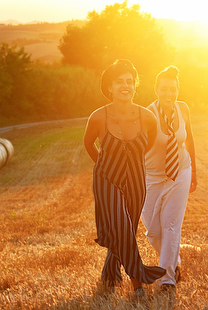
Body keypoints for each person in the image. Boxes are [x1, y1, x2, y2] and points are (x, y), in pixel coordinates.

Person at [83, 59, 165, 297]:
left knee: (127, 229)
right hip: (107, 179)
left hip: (137, 180)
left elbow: (147, 145)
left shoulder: (147, 117)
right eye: (119, 82)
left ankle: (109, 275)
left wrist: (130, 164)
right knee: (122, 225)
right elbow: (88, 144)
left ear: (135, 85)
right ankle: (138, 282)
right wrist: (105, 166)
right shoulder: (98, 117)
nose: (125, 86)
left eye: (129, 81)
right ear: (109, 87)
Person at [141, 65, 197, 289]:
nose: (169, 94)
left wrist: (195, 172)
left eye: (173, 89)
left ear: (177, 89)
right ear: (156, 89)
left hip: (180, 172)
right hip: (152, 177)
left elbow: (189, 139)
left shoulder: (183, 109)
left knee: (171, 226)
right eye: (164, 89)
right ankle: (176, 261)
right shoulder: (148, 114)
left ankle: (167, 279)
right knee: (153, 231)